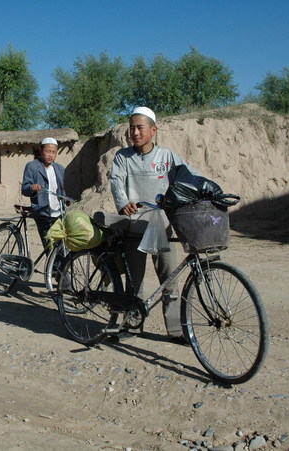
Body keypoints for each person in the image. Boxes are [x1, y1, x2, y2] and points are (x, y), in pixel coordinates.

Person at [109, 106, 201, 343]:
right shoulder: (123, 157)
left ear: (153, 130)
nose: (135, 133)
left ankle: (175, 330)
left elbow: (189, 176)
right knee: (134, 280)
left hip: (162, 226)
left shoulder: (167, 157)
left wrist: (206, 189)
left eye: (140, 127)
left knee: (169, 278)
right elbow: (116, 182)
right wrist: (123, 203)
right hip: (134, 225)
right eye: (132, 128)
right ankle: (132, 325)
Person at [21, 137, 67, 248]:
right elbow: (24, 189)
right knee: (50, 247)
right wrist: (32, 187)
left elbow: (63, 189)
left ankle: (56, 266)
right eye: (48, 151)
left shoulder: (60, 169)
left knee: (61, 247)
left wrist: (66, 199)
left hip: (59, 212)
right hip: (42, 213)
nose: (51, 155)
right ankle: (54, 265)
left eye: (54, 152)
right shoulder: (32, 166)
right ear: (41, 151)